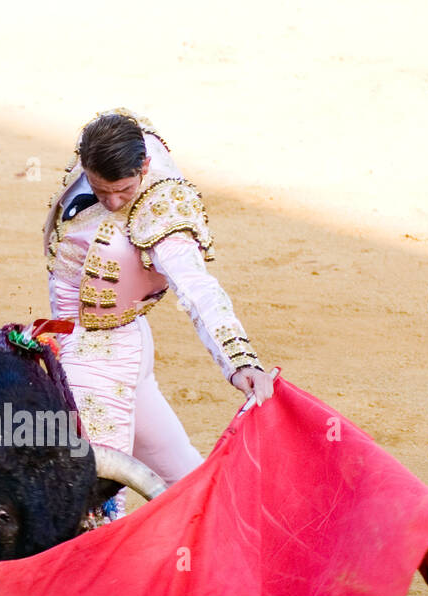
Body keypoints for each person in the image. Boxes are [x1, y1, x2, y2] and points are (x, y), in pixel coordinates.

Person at [37, 108, 276, 518]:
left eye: (125, 190)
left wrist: (239, 361)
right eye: (100, 189)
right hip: (111, 345)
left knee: (93, 507)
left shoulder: (164, 212)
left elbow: (199, 290)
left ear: (145, 166)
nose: (112, 202)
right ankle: (225, 559)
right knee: (179, 478)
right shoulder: (106, 144)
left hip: (102, 360)